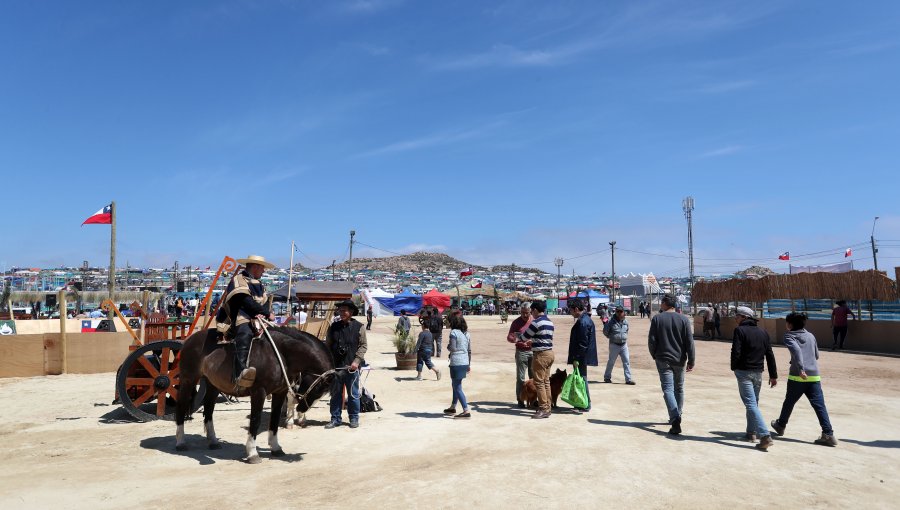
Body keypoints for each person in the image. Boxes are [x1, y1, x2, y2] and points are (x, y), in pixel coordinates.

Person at [771, 312, 838, 447]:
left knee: (789, 402)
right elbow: (816, 355)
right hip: (814, 375)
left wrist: (801, 368)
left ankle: (781, 425)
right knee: (819, 406)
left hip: (798, 376)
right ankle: (828, 434)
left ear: (790, 324)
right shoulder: (811, 336)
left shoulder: (789, 336)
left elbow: (796, 351)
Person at [217, 255, 275, 388]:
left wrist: (264, 315)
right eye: (262, 268)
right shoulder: (238, 280)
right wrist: (266, 313)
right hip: (240, 316)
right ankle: (240, 373)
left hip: (258, 318)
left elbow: (264, 302)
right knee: (245, 333)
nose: (264, 271)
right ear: (255, 267)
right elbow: (245, 301)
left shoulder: (259, 284)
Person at [731, 306, 778, 451]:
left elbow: (736, 351)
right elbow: (769, 354)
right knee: (753, 403)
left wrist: (734, 367)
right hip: (758, 372)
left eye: (737, 316)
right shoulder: (763, 332)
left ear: (744, 317)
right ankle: (751, 433)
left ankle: (764, 436)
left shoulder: (739, 330)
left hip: (744, 372)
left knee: (751, 404)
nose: (735, 318)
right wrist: (773, 375)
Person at [648, 293, 695, 435]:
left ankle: (675, 419)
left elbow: (652, 341)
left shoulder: (657, 319)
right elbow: (689, 342)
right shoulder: (684, 319)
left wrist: (654, 355)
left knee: (668, 389)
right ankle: (678, 414)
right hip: (680, 360)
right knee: (679, 388)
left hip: (662, 359)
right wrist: (691, 360)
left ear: (664, 304)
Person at [324, 300, 368, 429]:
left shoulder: (359, 327)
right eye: (340, 310)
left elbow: (363, 346)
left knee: (353, 394)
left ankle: (354, 418)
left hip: (352, 367)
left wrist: (356, 361)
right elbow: (328, 345)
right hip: (336, 366)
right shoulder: (334, 326)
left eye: (344, 310)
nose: (341, 313)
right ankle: (335, 418)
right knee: (335, 394)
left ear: (351, 312)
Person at [520, 301, 555, 419]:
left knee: (539, 383)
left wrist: (518, 337)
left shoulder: (536, 322)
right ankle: (548, 407)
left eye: (531, 311)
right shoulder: (549, 322)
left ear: (534, 310)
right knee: (546, 382)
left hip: (540, 355)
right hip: (549, 353)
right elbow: (544, 338)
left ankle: (543, 409)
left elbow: (524, 336)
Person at [566, 298, 598, 412]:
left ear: (575, 309)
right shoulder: (584, 320)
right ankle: (583, 403)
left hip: (581, 356)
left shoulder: (582, 322)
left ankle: (584, 403)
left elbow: (582, 344)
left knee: (581, 379)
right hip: (583, 355)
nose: (570, 313)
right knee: (581, 379)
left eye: (570, 310)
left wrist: (576, 358)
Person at [444, 315, 472, 419]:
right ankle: (453, 406)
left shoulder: (454, 332)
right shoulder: (467, 334)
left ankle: (465, 410)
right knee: (455, 384)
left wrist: (448, 346)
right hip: (464, 361)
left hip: (456, 362)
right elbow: (469, 351)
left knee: (457, 386)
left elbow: (453, 348)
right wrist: (469, 364)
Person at [506, 303, 533, 408]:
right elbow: (509, 337)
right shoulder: (516, 322)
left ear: (530, 312)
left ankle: (533, 399)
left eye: (527, 313)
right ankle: (520, 399)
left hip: (533, 351)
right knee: (521, 378)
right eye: (522, 313)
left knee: (533, 377)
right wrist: (515, 339)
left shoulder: (534, 321)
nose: (525, 315)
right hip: (521, 352)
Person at [603, 306, 634, 385]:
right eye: (618, 312)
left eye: (621, 312)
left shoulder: (626, 322)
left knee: (626, 362)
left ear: (623, 312)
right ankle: (607, 377)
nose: (619, 313)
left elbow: (627, 330)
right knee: (611, 361)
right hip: (614, 345)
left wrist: (623, 337)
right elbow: (605, 331)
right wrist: (612, 337)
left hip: (624, 345)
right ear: (615, 312)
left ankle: (628, 379)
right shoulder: (611, 321)